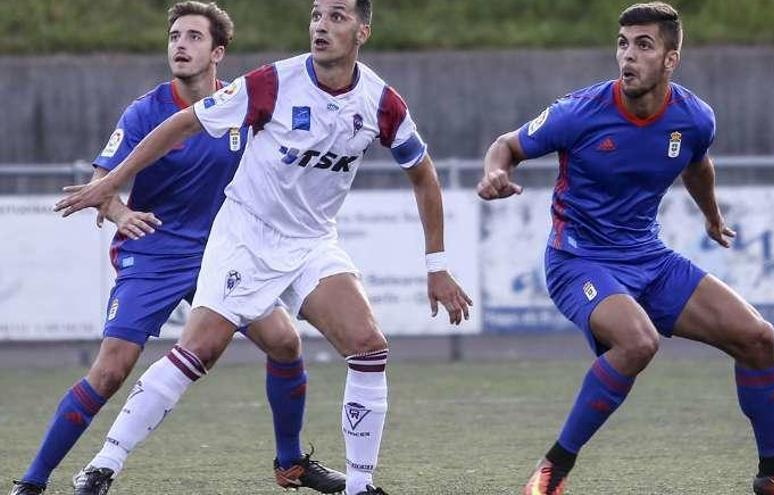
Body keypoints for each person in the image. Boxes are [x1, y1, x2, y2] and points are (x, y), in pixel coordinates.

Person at [55, 0, 473, 493]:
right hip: (246, 236)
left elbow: (424, 177)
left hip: (312, 241)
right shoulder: (272, 83)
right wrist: (113, 184)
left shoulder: (382, 103)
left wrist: (437, 266)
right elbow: (181, 124)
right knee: (200, 350)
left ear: (363, 31)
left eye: (337, 17)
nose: (321, 25)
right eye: (317, 15)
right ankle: (104, 463)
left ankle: (361, 486)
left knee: (368, 347)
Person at [478, 3, 774, 495]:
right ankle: (553, 469)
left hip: (650, 261)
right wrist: (496, 173)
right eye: (623, 43)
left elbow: (697, 165)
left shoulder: (694, 117)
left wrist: (711, 215)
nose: (628, 56)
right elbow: (506, 145)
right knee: (638, 342)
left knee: (758, 337)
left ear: (670, 58)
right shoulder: (579, 112)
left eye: (644, 45)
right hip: (579, 260)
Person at [10, 2, 345, 495]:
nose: (180, 46)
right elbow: (103, 184)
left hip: (223, 255)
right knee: (110, 371)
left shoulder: (243, 106)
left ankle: (290, 463)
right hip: (154, 254)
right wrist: (122, 214)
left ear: (217, 52)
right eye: (174, 37)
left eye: (192, 37)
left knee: (286, 343)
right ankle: (33, 483)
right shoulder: (146, 110)